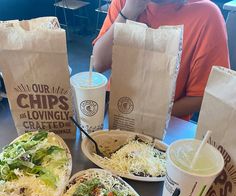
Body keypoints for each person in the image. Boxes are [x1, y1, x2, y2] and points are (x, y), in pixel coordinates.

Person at [93, 0, 230, 118]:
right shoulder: (125, 3)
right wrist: (128, 12)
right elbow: (99, 63)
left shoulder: (206, 14)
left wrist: (150, 116)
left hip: (168, 124)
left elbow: (203, 95)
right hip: (115, 113)